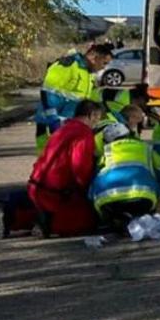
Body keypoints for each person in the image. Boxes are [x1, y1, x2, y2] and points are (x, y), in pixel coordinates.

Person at [27, 100, 105, 237]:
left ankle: (32, 217)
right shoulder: (83, 133)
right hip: (56, 191)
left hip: (37, 184)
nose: (97, 122)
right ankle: (44, 223)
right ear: (92, 115)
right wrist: (89, 186)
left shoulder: (64, 128)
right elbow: (80, 166)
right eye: (98, 117)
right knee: (88, 221)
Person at [89, 107, 160, 232]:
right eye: (138, 118)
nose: (140, 121)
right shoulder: (142, 144)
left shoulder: (105, 149)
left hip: (108, 200)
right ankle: (159, 219)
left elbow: (96, 172)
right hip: (144, 197)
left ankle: (111, 219)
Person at [34, 42, 114, 154]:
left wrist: (110, 118)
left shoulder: (88, 72)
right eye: (104, 63)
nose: (103, 68)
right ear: (94, 58)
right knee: (49, 161)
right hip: (52, 124)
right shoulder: (67, 65)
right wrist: (54, 124)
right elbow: (48, 92)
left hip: (69, 124)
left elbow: (93, 99)